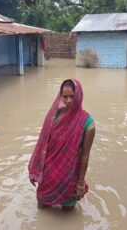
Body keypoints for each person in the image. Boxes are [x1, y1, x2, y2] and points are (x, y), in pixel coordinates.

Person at [28, 79, 95, 211]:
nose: (69, 100)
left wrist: (80, 184)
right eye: (65, 96)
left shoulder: (88, 123)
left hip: (69, 177)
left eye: (72, 96)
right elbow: (42, 143)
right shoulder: (54, 115)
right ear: (60, 96)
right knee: (42, 207)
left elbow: (85, 156)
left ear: (79, 95)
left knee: (68, 211)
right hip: (47, 175)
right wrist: (35, 169)